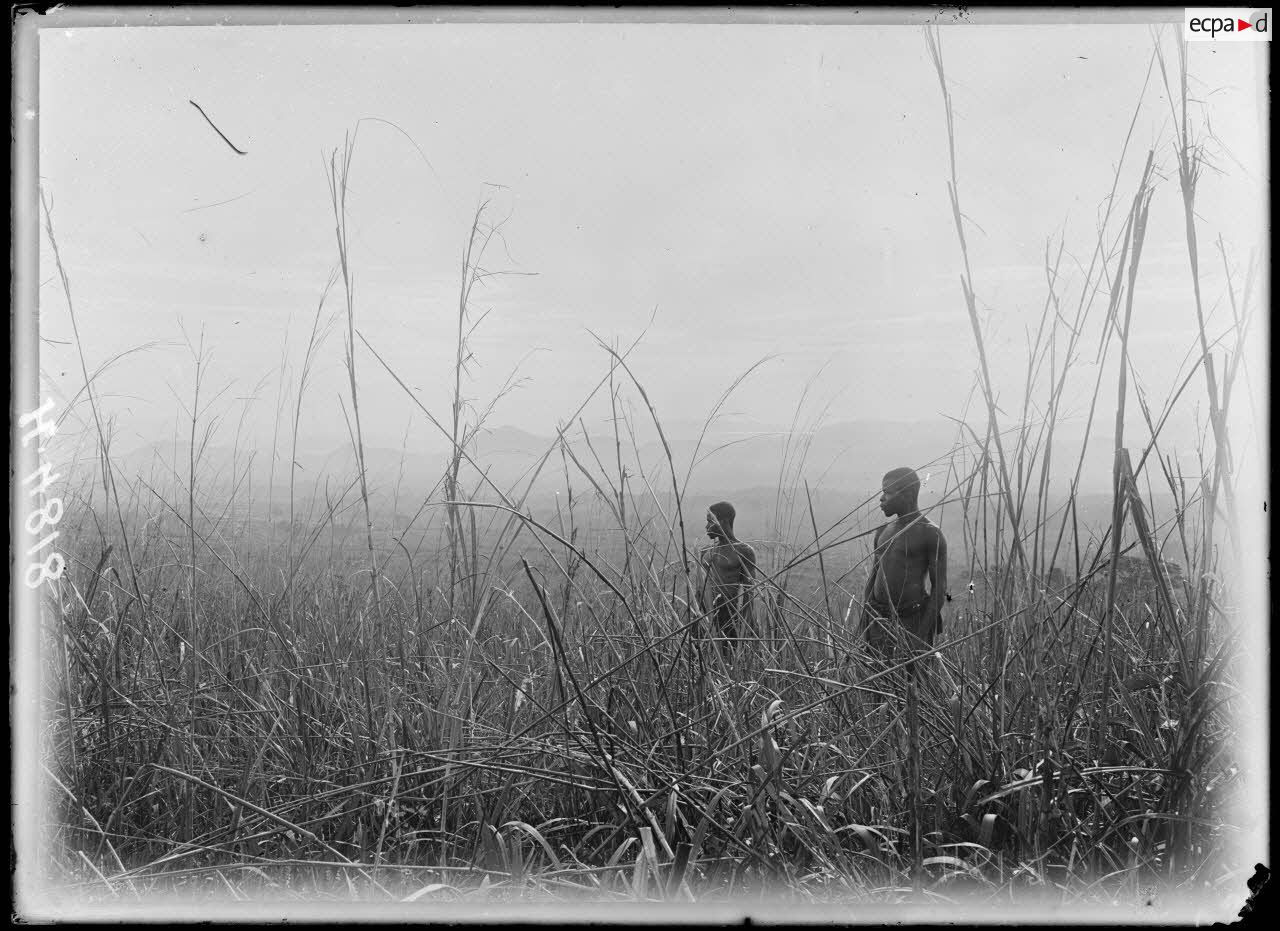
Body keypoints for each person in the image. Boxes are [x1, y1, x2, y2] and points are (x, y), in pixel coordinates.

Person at [861, 468, 948, 659]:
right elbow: (873, 578)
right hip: (877, 621)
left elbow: (939, 590)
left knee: (909, 683)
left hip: (911, 621)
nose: (881, 499)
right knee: (876, 680)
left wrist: (920, 638)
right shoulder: (883, 531)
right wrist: (864, 624)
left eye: (887, 492)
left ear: (907, 494)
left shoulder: (930, 533)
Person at [698, 501, 758, 646]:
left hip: (730, 617)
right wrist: (697, 621)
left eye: (709, 522)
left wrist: (743, 629)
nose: (706, 527)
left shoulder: (744, 551)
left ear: (722, 521)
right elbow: (699, 590)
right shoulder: (705, 552)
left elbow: (749, 593)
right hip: (706, 616)